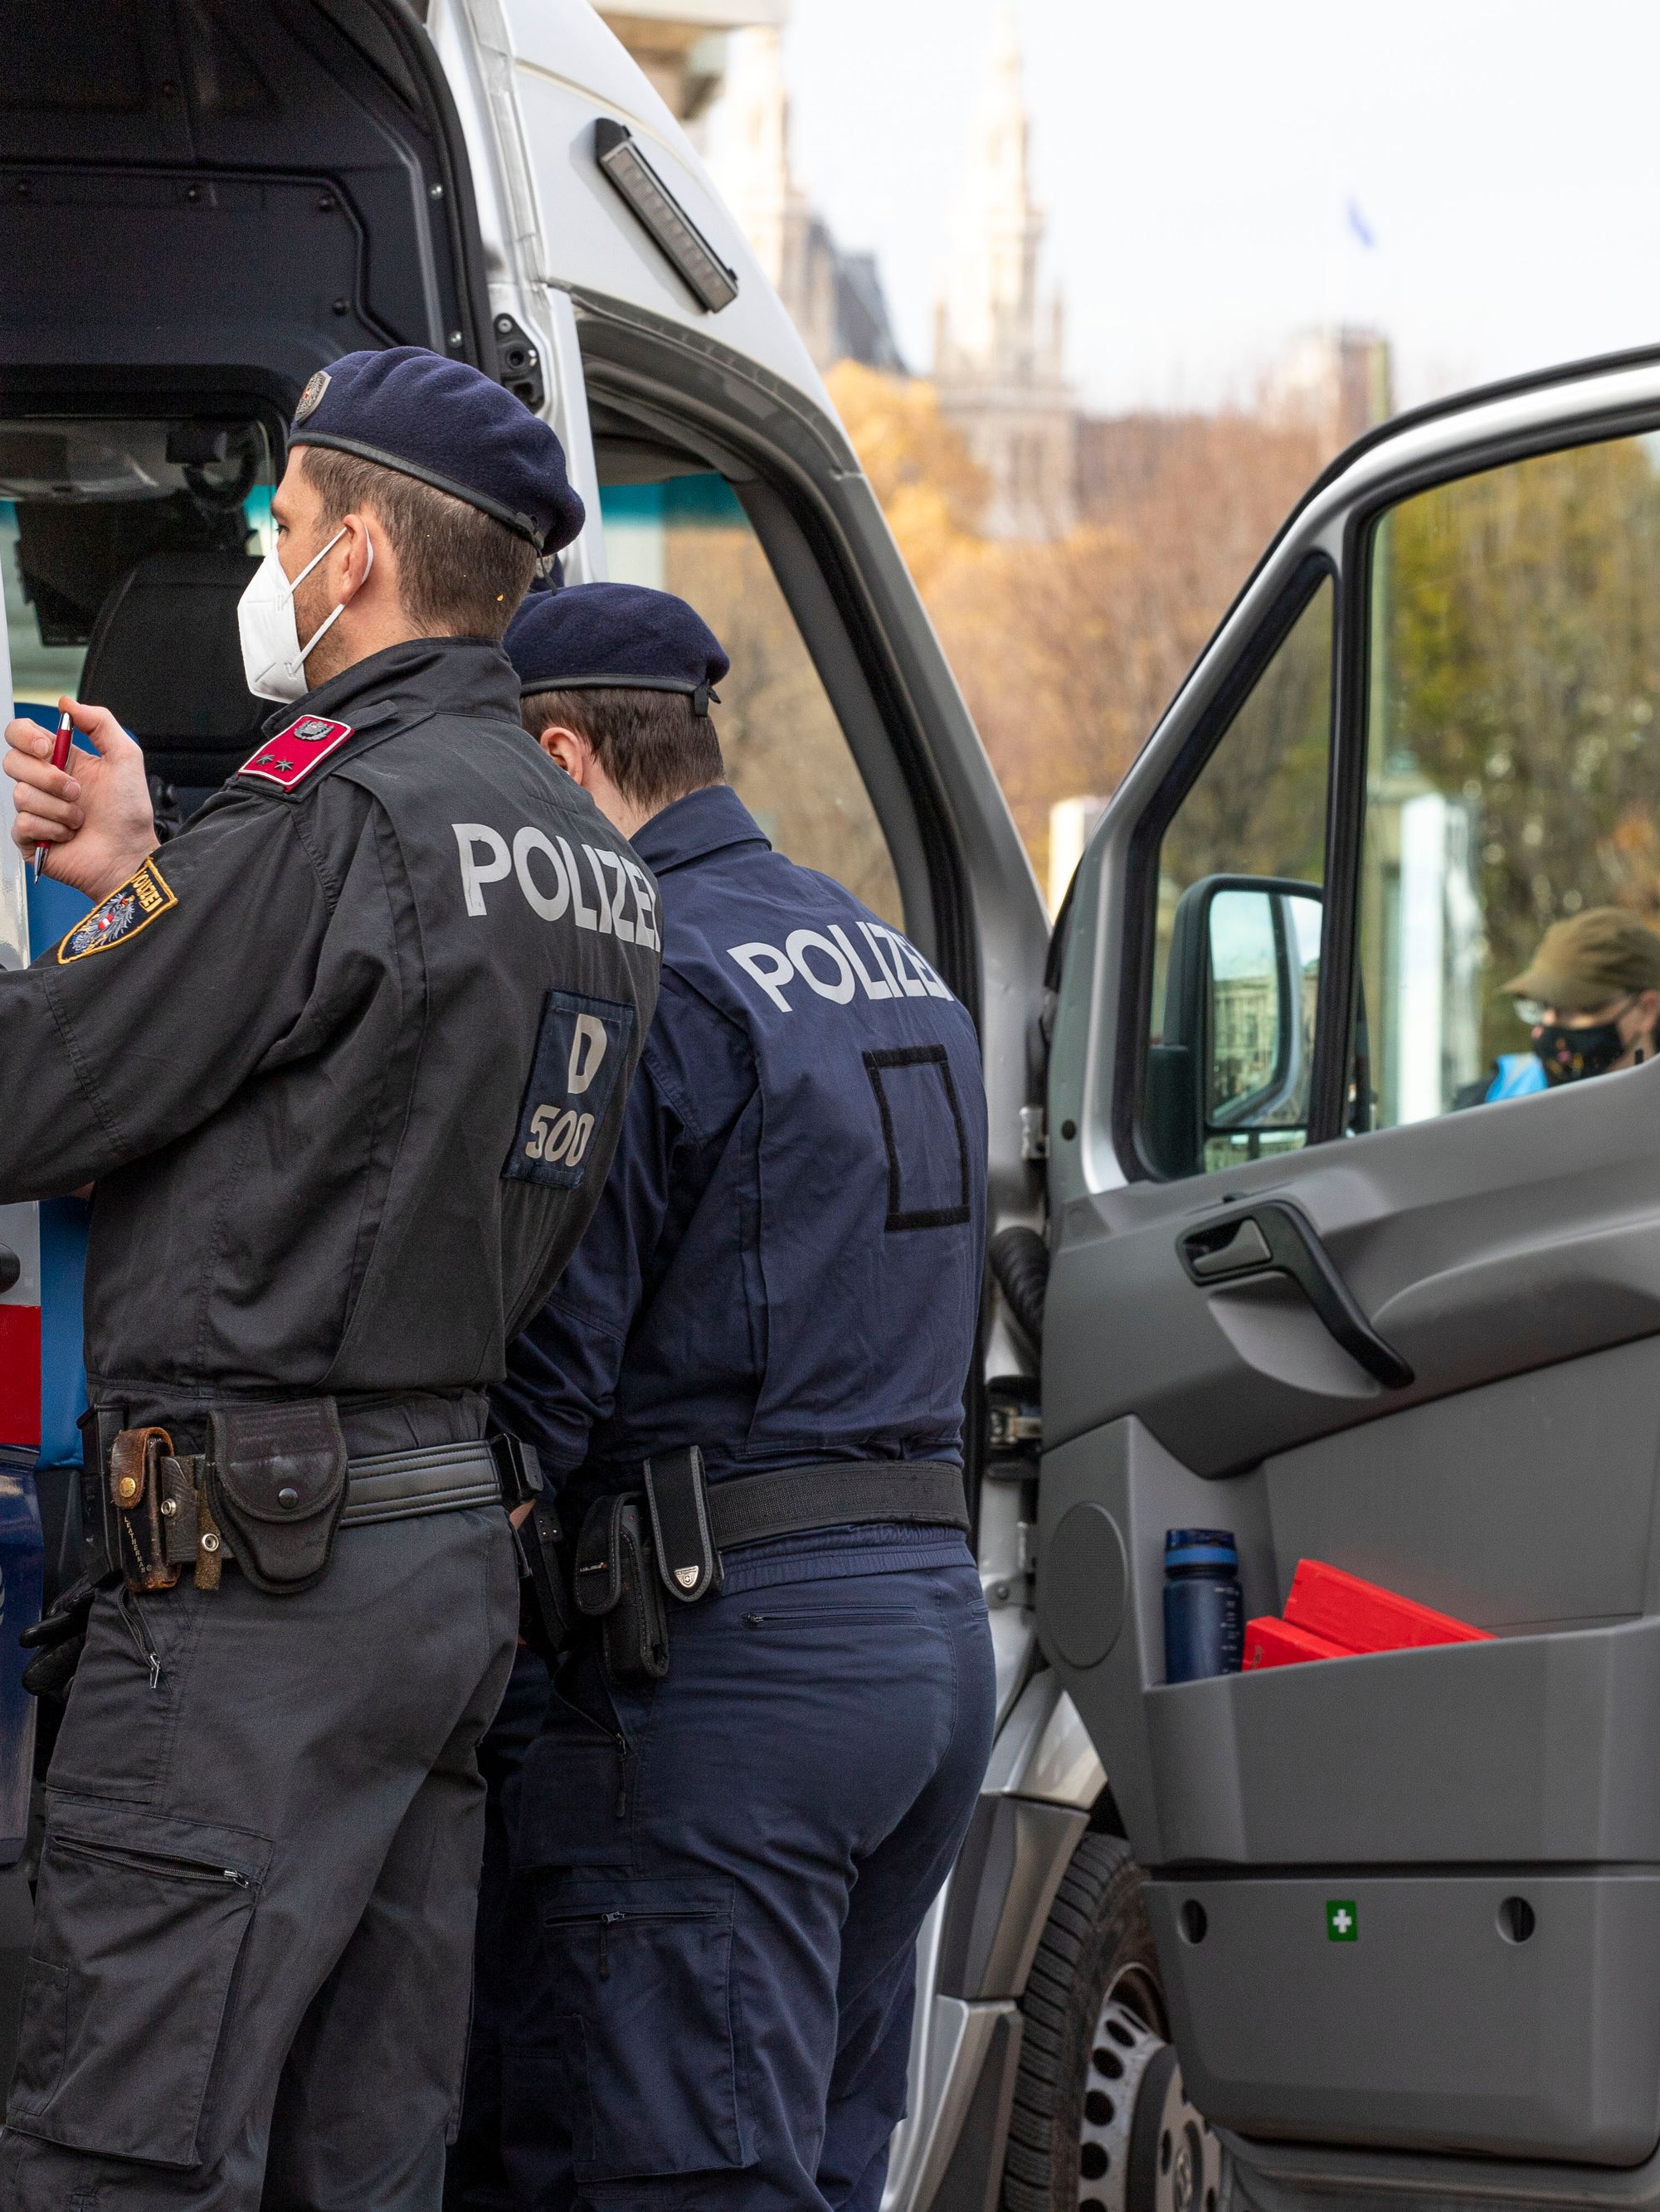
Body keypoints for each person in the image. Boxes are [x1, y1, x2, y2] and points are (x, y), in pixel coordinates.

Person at [0, 347, 657, 2212]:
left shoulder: (328, 812)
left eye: (277, 525)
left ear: (353, 554)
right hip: (431, 1562)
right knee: (357, 2154)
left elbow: (4, 1099)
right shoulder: (583, 859)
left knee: (134, 2148)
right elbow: (337, 1096)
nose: (268, 561)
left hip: (254, 1585)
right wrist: (146, 870)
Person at [478, 582, 992, 2212]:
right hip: (914, 1648)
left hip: (724, 1675)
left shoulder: (645, 972)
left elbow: (550, 1375)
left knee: (677, 2173)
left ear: (563, 759)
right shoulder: (888, 956)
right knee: (820, 2168)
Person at [1470, 906, 1660, 1101]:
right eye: (1543, 1005)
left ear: (1646, 1010)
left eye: (1578, 1006)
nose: (1549, 1021)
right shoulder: (1498, 1094)